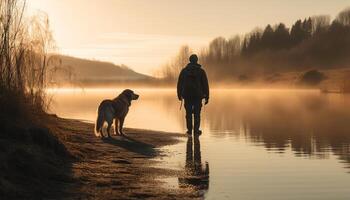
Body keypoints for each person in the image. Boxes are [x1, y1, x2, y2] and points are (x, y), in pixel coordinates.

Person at [177, 54, 209, 135]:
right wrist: (207, 97)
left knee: (188, 114)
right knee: (197, 114)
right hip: (198, 96)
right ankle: (196, 131)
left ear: (189, 60)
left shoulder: (184, 71)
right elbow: (205, 84)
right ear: (197, 60)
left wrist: (179, 95)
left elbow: (179, 84)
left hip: (187, 95)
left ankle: (189, 131)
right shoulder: (201, 71)